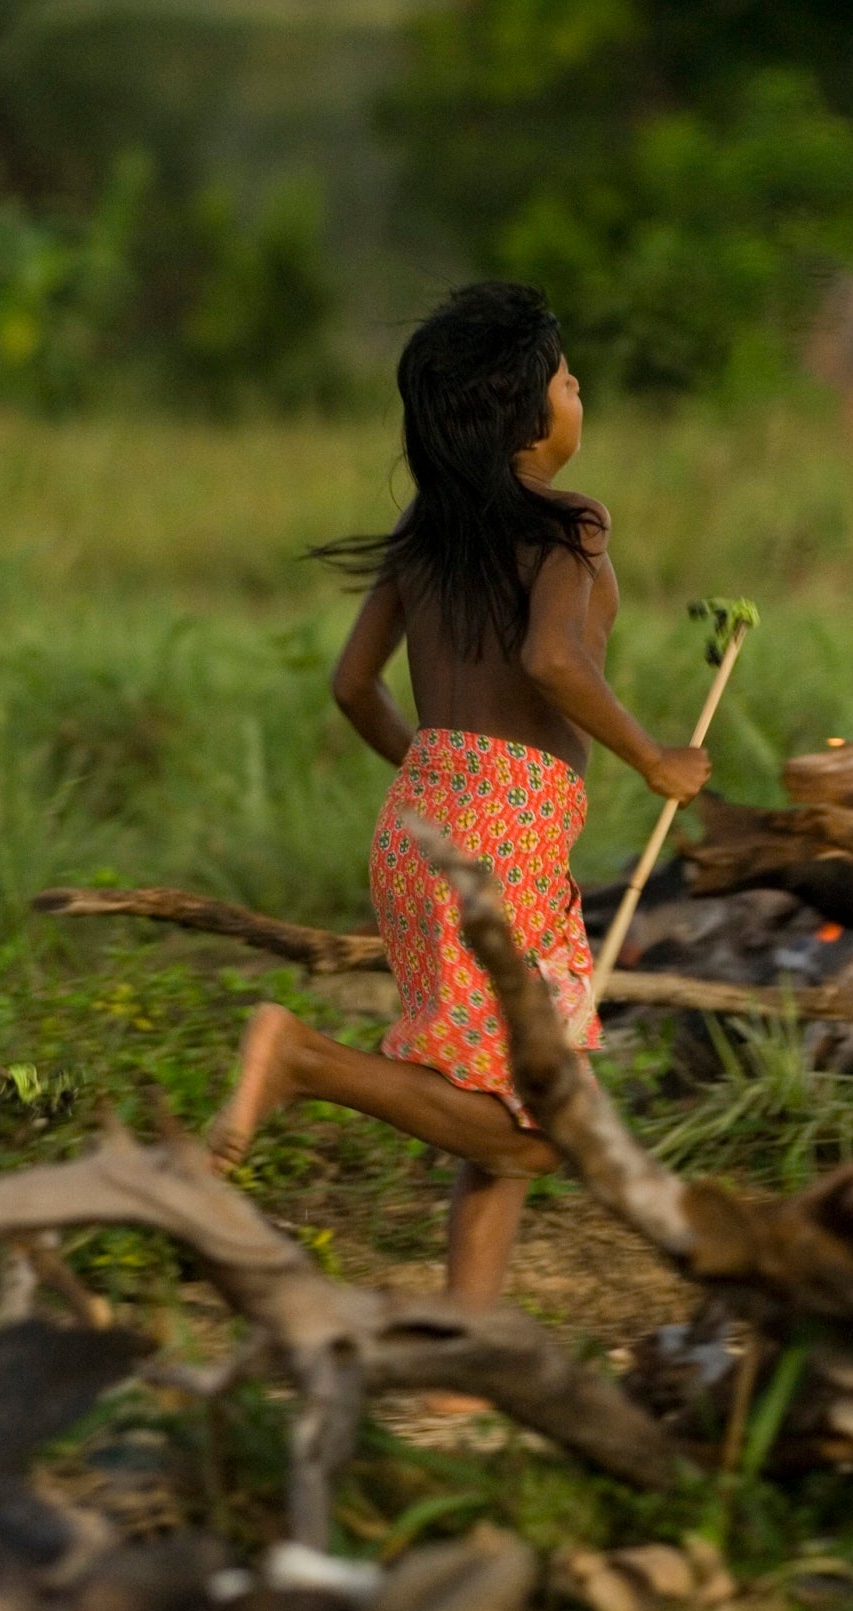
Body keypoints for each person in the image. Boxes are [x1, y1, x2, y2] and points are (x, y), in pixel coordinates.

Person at [208, 282, 710, 1314]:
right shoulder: (573, 520)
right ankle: (300, 1057)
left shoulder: (423, 528)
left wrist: (436, 778)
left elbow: (354, 685)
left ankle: (459, 1348)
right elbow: (553, 660)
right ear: (528, 411)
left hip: (420, 819)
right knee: (539, 1129)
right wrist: (653, 759)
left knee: (497, 1102)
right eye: (567, 378)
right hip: (501, 830)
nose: (580, 391)